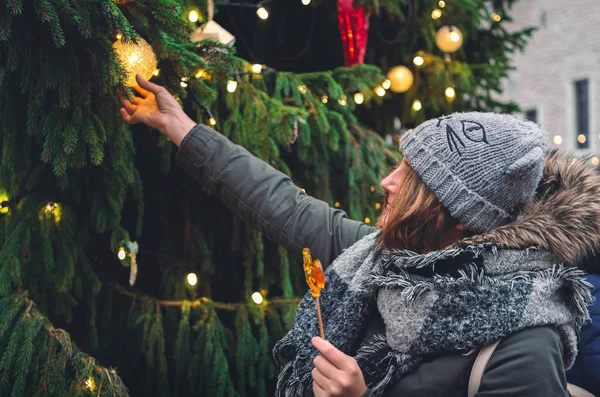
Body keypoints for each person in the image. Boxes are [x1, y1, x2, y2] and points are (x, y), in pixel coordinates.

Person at [119, 75, 600, 397]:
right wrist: (179, 125)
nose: (387, 182)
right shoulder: (378, 258)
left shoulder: (526, 341)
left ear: (457, 214)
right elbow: (281, 203)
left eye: (411, 177)